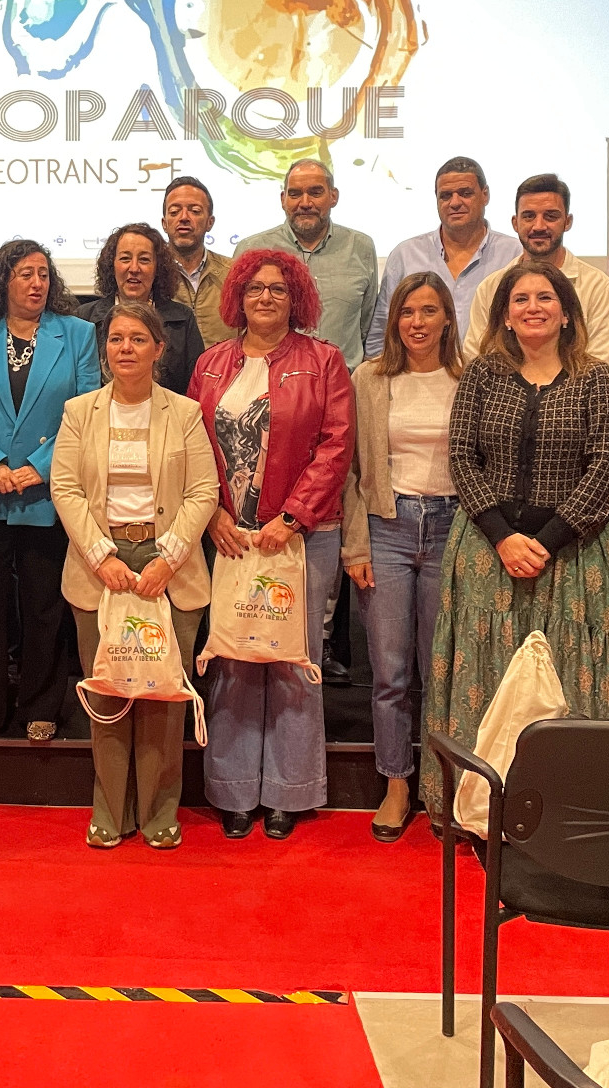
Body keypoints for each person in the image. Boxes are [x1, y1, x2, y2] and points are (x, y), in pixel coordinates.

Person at [424, 258, 609, 822]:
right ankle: (475, 806)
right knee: (484, 673)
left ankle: (570, 809)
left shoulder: (595, 380)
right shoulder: (482, 376)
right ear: (505, 317)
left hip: (572, 555)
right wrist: (503, 537)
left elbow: (607, 468)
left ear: (566, 314)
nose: (532, 307)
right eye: (520, 300)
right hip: (487, 549)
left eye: (545, 298)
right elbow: (462, 457)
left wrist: (548, 540)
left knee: (565, 673)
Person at [188, 249, 354, 840]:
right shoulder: (210, 364)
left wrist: (293, 517)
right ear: (237, 296)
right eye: (254, 288)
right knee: (232, 659)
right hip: (229, 536)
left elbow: (336, 445)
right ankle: (234, 790)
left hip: (302, 537)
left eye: (278, 289)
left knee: (292, 660)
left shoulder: (325, 361)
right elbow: (192, 446)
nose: (265, 297)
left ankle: (289, 791)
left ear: (296, 298)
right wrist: (212, 515)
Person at [51, 301, 218, 848]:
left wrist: (167, 559)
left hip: (170, 565)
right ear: (105, 350)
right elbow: (65, 488)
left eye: (138, 339)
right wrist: (102, 556)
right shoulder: (79, 412)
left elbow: (204, 491)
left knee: (162, 696)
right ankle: (110, 810)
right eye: (117, 338)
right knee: (107, 695)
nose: (126, 348)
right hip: (99, 567)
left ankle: (159, 812)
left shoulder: (185, 413)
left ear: (159, 349)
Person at [0, 239, 101, 741]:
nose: (37, 284)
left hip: (47, 496)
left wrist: (41, 465)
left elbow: (88, 411)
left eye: (43, 274)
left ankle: (41, 704)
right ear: (2, 280)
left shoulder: (77, 334)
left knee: (44, 605)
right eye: (25, 274)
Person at [342, 272, 462, 842]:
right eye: (407, 312)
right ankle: (396, 782)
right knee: (390, 673)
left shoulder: (470, 377)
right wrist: (355, 545)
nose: (417, 322)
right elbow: (351, 469)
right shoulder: (368, 378)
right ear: (393, 320)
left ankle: (441, 785)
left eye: (429, 310)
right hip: (386, 529)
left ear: (447, 318)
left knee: (441, 670)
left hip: (451, 528)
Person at [465, 175, 609, 378]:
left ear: (567, 222)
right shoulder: (490, 287)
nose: (539, 226)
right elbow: (476, 364)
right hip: (502, 399)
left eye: (550, 216)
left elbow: (605, 373)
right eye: (529, 216)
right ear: (515, 223)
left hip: (577, 399)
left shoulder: (597, 287)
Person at [366, 157, 521, 356]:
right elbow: (382, 331)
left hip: (494, 373)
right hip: (418, 374)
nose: (455, 203)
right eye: (446, 196)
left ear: (485, 195)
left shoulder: (514, 254)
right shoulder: (405, 255)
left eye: (465, 193)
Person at [235, 158, 380, 368]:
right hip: (269, 381)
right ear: (283, 199)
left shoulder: (361, 247)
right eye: (295, 194)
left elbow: (367, 324)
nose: (305, 203)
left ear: (334, 196)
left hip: (343, 380)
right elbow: (238, 322)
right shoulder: (252, 250)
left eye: (315, 192)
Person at [77, 223, 202, 395]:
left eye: (144, 260)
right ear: (111, 265)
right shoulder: (84, 318)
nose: (134, 268)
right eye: (125, 259)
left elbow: (195, 387)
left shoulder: (183, 319)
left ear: (157, 268)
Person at [161, 175, 234, 346]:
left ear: (210, 222)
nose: (184, 217)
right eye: (174, 212)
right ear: (164, 223)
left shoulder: (233, 274)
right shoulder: (150, 275)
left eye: (195, 211)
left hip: (225, 364)